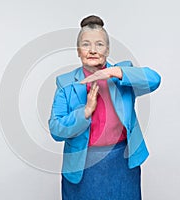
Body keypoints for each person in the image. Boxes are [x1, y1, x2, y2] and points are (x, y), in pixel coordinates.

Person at [48, 15, 161, 200]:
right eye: (86, 44)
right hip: (82, 168)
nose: (92, 50)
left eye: (99, 44)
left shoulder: (122, 76)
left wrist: (113, 72)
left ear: (107, 50)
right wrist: (85, 112)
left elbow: (155, 79)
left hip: (122, 164)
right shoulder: (66, 84)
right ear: (78, 50)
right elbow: (56, 130)